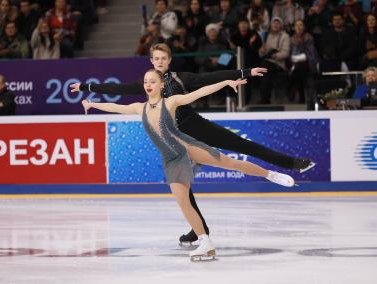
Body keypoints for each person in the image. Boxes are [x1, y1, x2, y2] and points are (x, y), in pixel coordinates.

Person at [70, 43, 315, 246]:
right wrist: (86, 88)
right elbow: (117, 90)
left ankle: (292, 163)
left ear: (169, 60)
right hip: (174, 139)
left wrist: (244, 73)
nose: (159, 62)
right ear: (151, 61)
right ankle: (200, 230)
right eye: (155, 58)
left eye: (163, 58)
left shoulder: (180, 79)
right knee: (182, 186)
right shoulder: (147, 83)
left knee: (240, 146)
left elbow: (210, 78)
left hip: (193, 126)